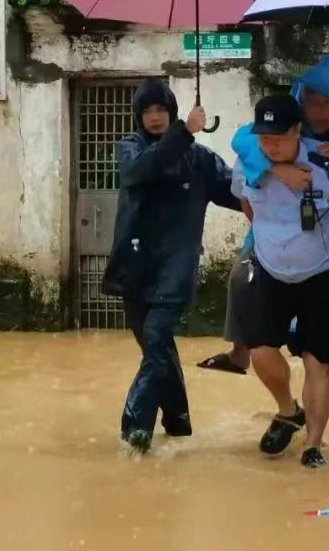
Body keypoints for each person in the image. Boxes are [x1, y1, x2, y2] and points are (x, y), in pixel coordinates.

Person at [198, 55, 329, 407]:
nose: (321, 111)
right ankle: (240, 353)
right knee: (241, 277)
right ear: (301, 101)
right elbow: (244, 141)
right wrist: (276, 169)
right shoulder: (284, 123)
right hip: (285, 226)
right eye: (313, 102)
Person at [102, 79, 241, 454]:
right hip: (136, 266)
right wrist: (183, 132)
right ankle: (178, 420)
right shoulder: (130, 148)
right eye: (148, 111)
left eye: (161, 110)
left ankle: (136, 430)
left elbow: (236, 191)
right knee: (157, 347)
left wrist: (270, 181)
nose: (155, 117)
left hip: (175, 268)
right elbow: (141, 170)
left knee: (156, 339)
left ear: (172, 112)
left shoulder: (199, 159)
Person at [232, 93, 329, 468]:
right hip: (271, 271)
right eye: (264, 138)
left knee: (315, 360)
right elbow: (245, 200)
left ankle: (313, 446)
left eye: (278, 137)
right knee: (260, 350)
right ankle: (289, 410)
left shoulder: (327, 163)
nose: (270, 145)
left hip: (322, 274)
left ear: (298, 131)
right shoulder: (250, 163)